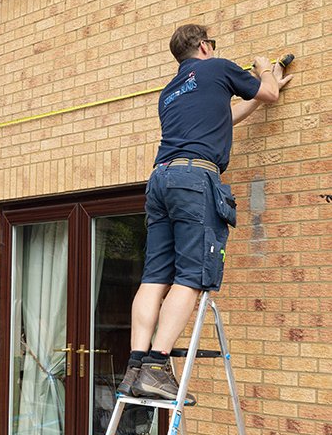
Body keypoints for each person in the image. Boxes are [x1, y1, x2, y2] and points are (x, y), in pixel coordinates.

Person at [118, 24, 292, 400]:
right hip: (194, 181)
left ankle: (135, 366)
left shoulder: (170, 92)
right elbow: (269, 93)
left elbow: (222, 120)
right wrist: (266, 70)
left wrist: (261, 95)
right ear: (204, 46)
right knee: (192, 275)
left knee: (155, 276)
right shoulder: (217, 68)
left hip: (161, 179)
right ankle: (157, 366)